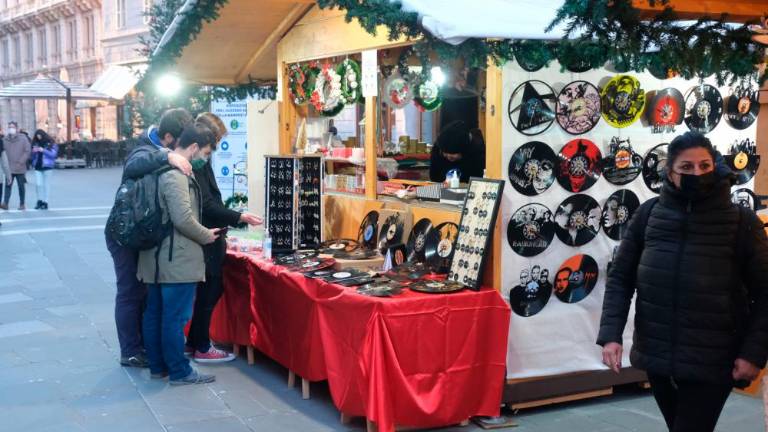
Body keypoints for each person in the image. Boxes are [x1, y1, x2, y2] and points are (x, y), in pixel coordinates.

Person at [598, 131, 768, 432]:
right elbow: (621, 278)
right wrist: (611, 334)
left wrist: (753, 353)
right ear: (670, 172)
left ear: (715, 165)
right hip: (659, 356)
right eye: (686, 167)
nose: (697, 173)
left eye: (704, 166)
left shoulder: (742, 222)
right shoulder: (649, 215)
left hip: (714, 359)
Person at [106, 108, 194, 368]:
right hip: (124, 233)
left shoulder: (160, 147)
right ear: (168, 138)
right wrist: (167, 155)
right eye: (179, 143)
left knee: (144, 290)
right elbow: (134, 165)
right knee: (130, 291)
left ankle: (144, 346)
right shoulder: (143, 148)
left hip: (143, 231)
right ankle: (130, 351)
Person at [137, 122, 221, 385]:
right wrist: (206, 235)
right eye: (205, 153)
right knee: (174, 317)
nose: (205, 159)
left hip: (157, 257)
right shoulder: (176, 175)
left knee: (156, 313)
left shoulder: (160, 167)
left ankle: (159, 367)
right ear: (194, 147)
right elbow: (183, 218)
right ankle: (179, 371)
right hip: (176, 258)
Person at [185, 112, 263, 362]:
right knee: (209, 292)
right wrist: (239, 216)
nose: (217, 147)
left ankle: (194, 342)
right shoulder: (196, 165)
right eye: (216, 141)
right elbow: (207, 205)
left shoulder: (200, 163)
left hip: (211, 235)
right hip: (207, 237)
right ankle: (201, 345)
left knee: (209, 292)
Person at [1, 121, 31, 210]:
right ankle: (5, 203)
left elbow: (27, 151)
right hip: (9, 167)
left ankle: (22, 204)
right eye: (9, 127)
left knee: (21, 186)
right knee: (8, 186)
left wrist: (21, 161)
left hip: (20, 167)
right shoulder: (5, 139)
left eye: (13, 127)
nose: (11, 129)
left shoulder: (23, 138)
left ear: (16, 128)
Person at [30, 129, 58, 210]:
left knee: (46, 185)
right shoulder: (35, 143)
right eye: (37, 136)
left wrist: (43, 150)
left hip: (47, 166)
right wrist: (34, 152)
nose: (38, 137)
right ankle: (39, 200)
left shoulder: (51, 143)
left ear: (43, 135)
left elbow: (53, 155)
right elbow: (32, 156)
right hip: (37, 166)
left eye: (40, 136)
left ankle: (45, 202)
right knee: (38, 184)